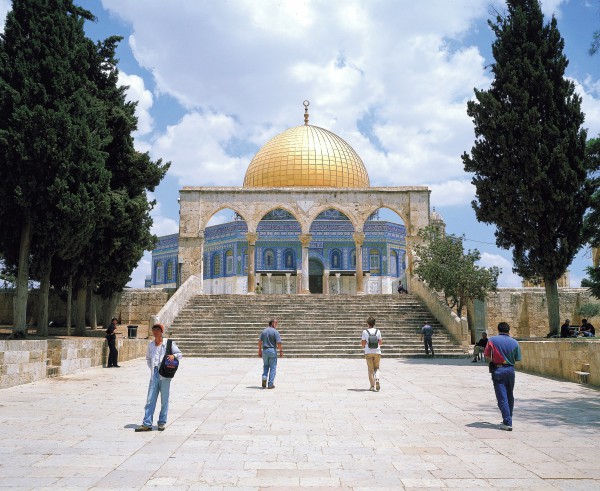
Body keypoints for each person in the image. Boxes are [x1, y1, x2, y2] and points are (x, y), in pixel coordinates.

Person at [135, 323, 183, 432]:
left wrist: (173, 356)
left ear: (161, 332)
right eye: (154, 330)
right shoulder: (151, 345)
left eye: (158, 330)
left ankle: (162, 422)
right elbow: (148, 359)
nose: (156, 332)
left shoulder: (168, 343)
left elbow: (180, 354)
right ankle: (147, 423)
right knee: (150, 399)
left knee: (164, 400)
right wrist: (153, 369)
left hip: (165, 375)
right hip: (154, 374)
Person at [484, 322, 522, 431]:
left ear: (498, 330)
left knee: (502, 397)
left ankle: (507, 422)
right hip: (510, 370)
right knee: (510, 395)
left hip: (498, 370)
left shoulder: (492, 340)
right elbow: (518, 358)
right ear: (508, 330)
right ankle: (508, 418)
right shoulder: (515, 342)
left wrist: (493, 360)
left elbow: (486, 355)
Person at [258, 318, 283, 389]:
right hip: (272, 351)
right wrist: (281, 351)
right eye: (276, 323)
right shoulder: (275, 332)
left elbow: (260, 341)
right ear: (272, 323)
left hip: (265, 351)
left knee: (265, 365)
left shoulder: (264, 331)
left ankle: (264, 377)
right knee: (273, 367)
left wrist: (259, 350)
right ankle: (270, 384)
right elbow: (279, 343)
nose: (276, 324)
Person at [361, 316, 382, 391]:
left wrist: (365, 345)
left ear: (368, 323)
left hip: (368, 352)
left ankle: (372, 386)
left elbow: (363, 343)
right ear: (374, 323)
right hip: (377, 351)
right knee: (377, 367)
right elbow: (380, 342)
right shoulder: (378, 331)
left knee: (370, 369)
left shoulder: (365, 332)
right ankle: (377, 379)